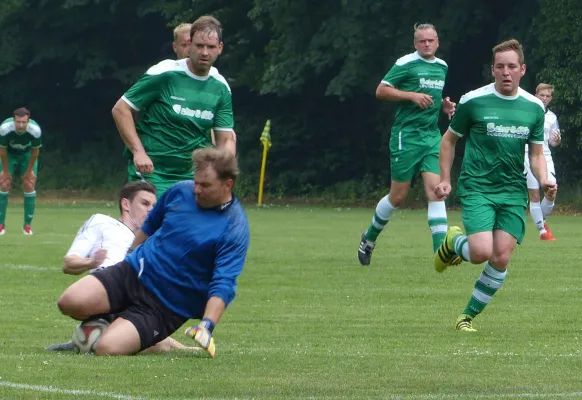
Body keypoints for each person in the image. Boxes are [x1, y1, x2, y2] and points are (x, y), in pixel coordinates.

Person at [56, 148, 250, 357]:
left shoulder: (234, 228)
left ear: (227, 184)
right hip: (133, 272)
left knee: (107, 348)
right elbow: (150, 224)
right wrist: (128, 255)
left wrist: (207, 325)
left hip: (165, 305)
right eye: (196, 182)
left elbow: (224, 283)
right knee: (69, 302)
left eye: (205, 185)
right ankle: (117, 321)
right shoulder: (180, 191)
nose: (196, 190)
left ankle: (160, 342)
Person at [433, 39, 557, 332]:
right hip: (478, 186)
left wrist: (544, 180)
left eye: (511, 66)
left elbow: (536, 154)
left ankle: (466, 317)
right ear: (492, 69)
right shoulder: (473, 101)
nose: (506, 72)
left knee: (501, 255)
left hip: (512, 190)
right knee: (480, 252)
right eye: (500, 66)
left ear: (522, 69)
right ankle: (453, 242)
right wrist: (445, 179)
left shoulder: (534, 107)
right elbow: (449, 140)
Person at [47, 181, 199, 353]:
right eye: (144, 203)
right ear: (126, 204)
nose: (151, 209)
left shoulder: (156, 238)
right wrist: (90, 263)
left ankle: (178, 347)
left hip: (144, 302)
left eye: (154, 205)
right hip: (110, 296)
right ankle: (175, 346)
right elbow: (69, 263)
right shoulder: (102, 223)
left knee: (150, 335)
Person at [357, 23, 457, 266]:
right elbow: (381, 91)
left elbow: (432, 98)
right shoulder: (405, 63)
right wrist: (410, 96)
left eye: (430, 40)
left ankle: (440, 254)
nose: (426, 44)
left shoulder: (442, 66)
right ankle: (369, 238)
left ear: (437, 41)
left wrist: (443, 107)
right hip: (406, 136)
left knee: (436, 192)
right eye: (422, 41)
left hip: (432, 136)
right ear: (415, 43)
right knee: (398, 196)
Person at [112, 15, 236, 199]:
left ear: (220, 48)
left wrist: (222, 172)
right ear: (190, 45)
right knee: (152, 225)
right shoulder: (165, 74)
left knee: (193, 226)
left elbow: (225, 139)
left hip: (194, 175)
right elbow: (121, 109)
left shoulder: (220, 87)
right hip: (154, 171)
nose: (204, 52)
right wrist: (138, 152)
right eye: (199, 45)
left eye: (210, 47)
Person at [525, 83, 561, 240]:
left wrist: (557, 141)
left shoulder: (552, 117)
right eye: (542, 95)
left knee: (552, 190)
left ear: (551, 98)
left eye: (548, 96)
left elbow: (553, 142)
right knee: (534, 194)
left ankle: (542, 221)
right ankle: (542, 231)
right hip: (528, 154)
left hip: (545, 156)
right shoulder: (527, 112)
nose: (545, 98)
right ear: (536, 95)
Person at [0, 107, 42, 235]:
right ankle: (1, 225)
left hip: (27, 155)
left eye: (24, 122)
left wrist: (28, 172)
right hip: (9, 155)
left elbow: (35, 152)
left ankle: (27, 225)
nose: (21, 125)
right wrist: (5, 172)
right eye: (18, 122)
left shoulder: (35, 130)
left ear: (28, 121)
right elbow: (2, 150)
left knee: (29, 184)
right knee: (3, 184)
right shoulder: (4, 128)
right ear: (14, 120)